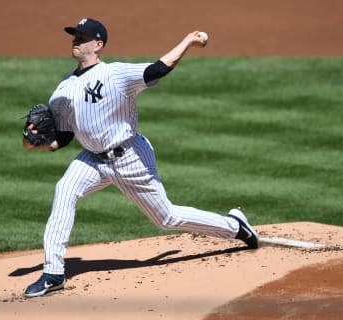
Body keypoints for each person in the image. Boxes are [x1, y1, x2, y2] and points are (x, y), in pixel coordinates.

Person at [22, 18, 259, 298]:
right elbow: (63, 137)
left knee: (167, 218)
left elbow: (157, 69)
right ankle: (53, 273)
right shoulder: (63, 88)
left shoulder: (116, 74)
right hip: (92, 160)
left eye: (82, 37)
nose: (76, 41)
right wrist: (32, 143)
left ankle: (236, 227)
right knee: (64, 190)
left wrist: (187, 41)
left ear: (98, 45)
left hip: (130, 157)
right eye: (75, 36)